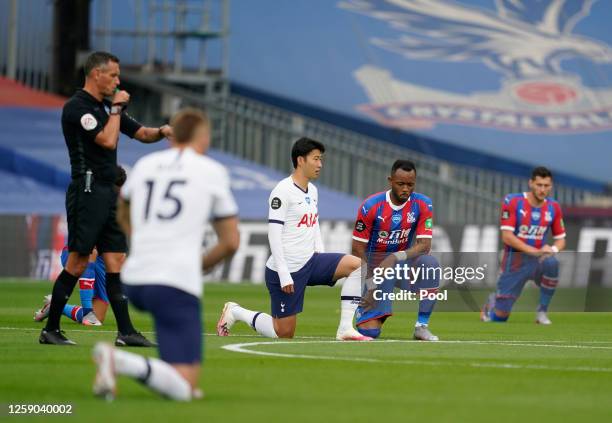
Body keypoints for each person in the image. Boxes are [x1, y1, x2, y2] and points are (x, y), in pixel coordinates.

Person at [92, 108, 240, 401]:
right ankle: (117, 361)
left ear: (173, 134)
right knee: (185, 387)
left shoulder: (146, 164)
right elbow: (231, 242)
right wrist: (198, 266)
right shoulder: (210, 171)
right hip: (174, 280)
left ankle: (132, 363)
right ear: (204, 137)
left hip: (134, 279)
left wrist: (144, 240)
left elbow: (123, 209)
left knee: (185, 383)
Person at [39, 51, 170, 346]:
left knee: (115, 258)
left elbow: (142, 133)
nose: (118, 80)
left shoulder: (108, 108)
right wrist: (115, 111)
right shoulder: (78, 108)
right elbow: (107, 140)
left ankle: (125, 332)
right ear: (96, 74)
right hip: (87, 190)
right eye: (113, 75)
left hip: (108, 191)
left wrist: (163, 131)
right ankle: (51, 329)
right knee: (78, 260)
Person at [216, 137, 370, 341]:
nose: (320, 164)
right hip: (286, 270)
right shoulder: (282, 191)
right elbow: (274, 233)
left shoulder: (312, 191)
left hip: (311, 261)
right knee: (284, 333)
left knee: (358, 266)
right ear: (300, 160)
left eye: (321, 159)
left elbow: (313, 222)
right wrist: (284, 273)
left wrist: (320, 250)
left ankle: (344, 329)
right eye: (316, 159)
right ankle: (236, 312)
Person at [352, 160, 440, 341]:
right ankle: (367, 311)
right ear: (390, 181)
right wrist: (369, 283)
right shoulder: (371, 206)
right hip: (374, 268)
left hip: (400, 264)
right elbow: (357, 248)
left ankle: (421, 327)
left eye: (410, 184)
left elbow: (425, 245)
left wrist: (394, 257)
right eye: (401, 184)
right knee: (369, 333)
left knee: (430, 263)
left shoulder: (423, 204)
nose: (406, 189)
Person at [34, 166, 128, 326]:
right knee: (90, 250)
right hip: (77, 253)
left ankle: (55, 305)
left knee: (100, 317)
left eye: (117, 191)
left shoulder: (118, 203)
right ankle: (87, 312)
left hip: (103, 260)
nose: (115, 194)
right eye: (114, 190)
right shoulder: (90, 200)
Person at [481, 166, 566, 324]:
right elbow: (507, 237)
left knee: (552, 263)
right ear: (531, 183)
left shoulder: (553, 207)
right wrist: (534, 251)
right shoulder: (513, 201)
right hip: (515, 262)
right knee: (499, 318)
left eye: (546, 186)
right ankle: (493, 302)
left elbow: (561, 239)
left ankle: (542, 312)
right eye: (539, 185)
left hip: (538, 260)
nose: (542, 189)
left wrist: (552, 249)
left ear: (551, 186)